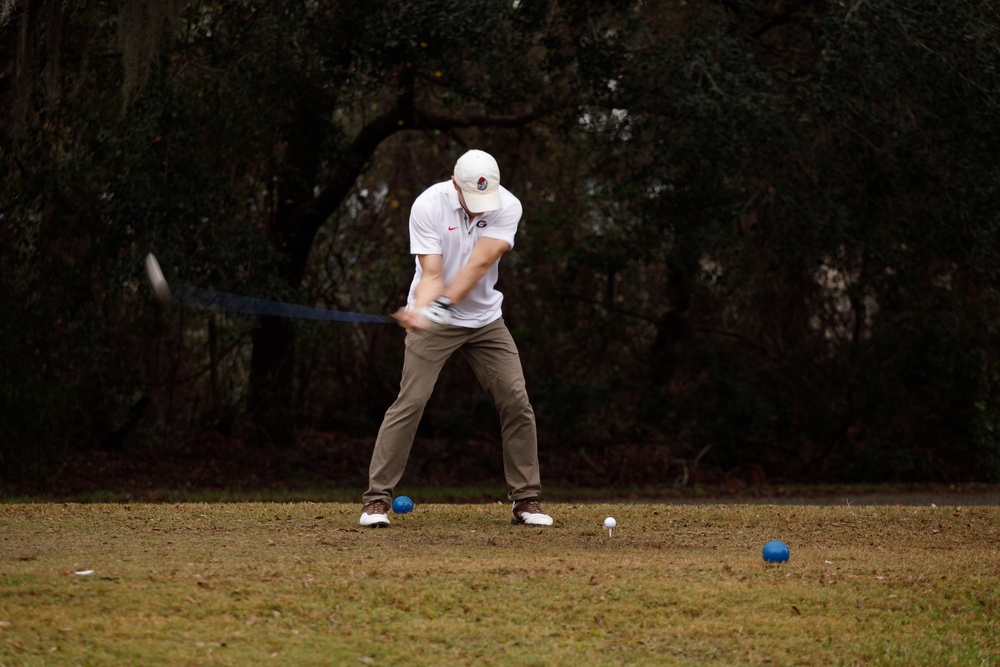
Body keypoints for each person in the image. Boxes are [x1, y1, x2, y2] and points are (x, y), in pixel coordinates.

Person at [359, 149, 553, 528]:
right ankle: (376, 502)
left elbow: (480, 263)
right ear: (454, 184)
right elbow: (431, 273)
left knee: (516, 399)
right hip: (437, 321)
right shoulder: (429, 205)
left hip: (485, 321)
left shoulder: (507, 205)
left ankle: (526, 501)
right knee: (411, 401)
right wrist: (421, 308)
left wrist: (439, 306)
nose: (482, 208)